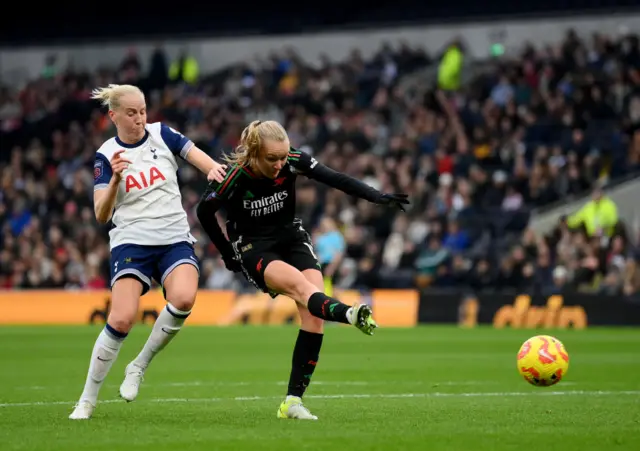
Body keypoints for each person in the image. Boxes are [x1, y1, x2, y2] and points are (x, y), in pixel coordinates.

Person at [195, 120, 409, 420]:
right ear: (255, 153)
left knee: (313, 315)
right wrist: (227, 252)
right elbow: (203, 212)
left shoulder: (292, 161)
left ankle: (292, 402)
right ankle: (349, 314)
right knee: (303, 289)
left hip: (291, 238)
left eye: (283, 157)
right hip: (254, 247)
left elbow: (334, 178)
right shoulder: (233, 177)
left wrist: (376, 196)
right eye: (272, 159)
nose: (280, 164)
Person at [69, 84, 227, 420]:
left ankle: (138, 366)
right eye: (132, 112)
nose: (140, 118)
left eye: (142, 110)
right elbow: (101, 214)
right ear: (113, 116)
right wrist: (113, 181)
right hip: (132, 241)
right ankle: (87, 399)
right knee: (122, 318)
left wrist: (213, 169)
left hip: (173, 238)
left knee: (184, 298)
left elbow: (197, 155)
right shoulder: (105, 155)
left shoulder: (162, 134)